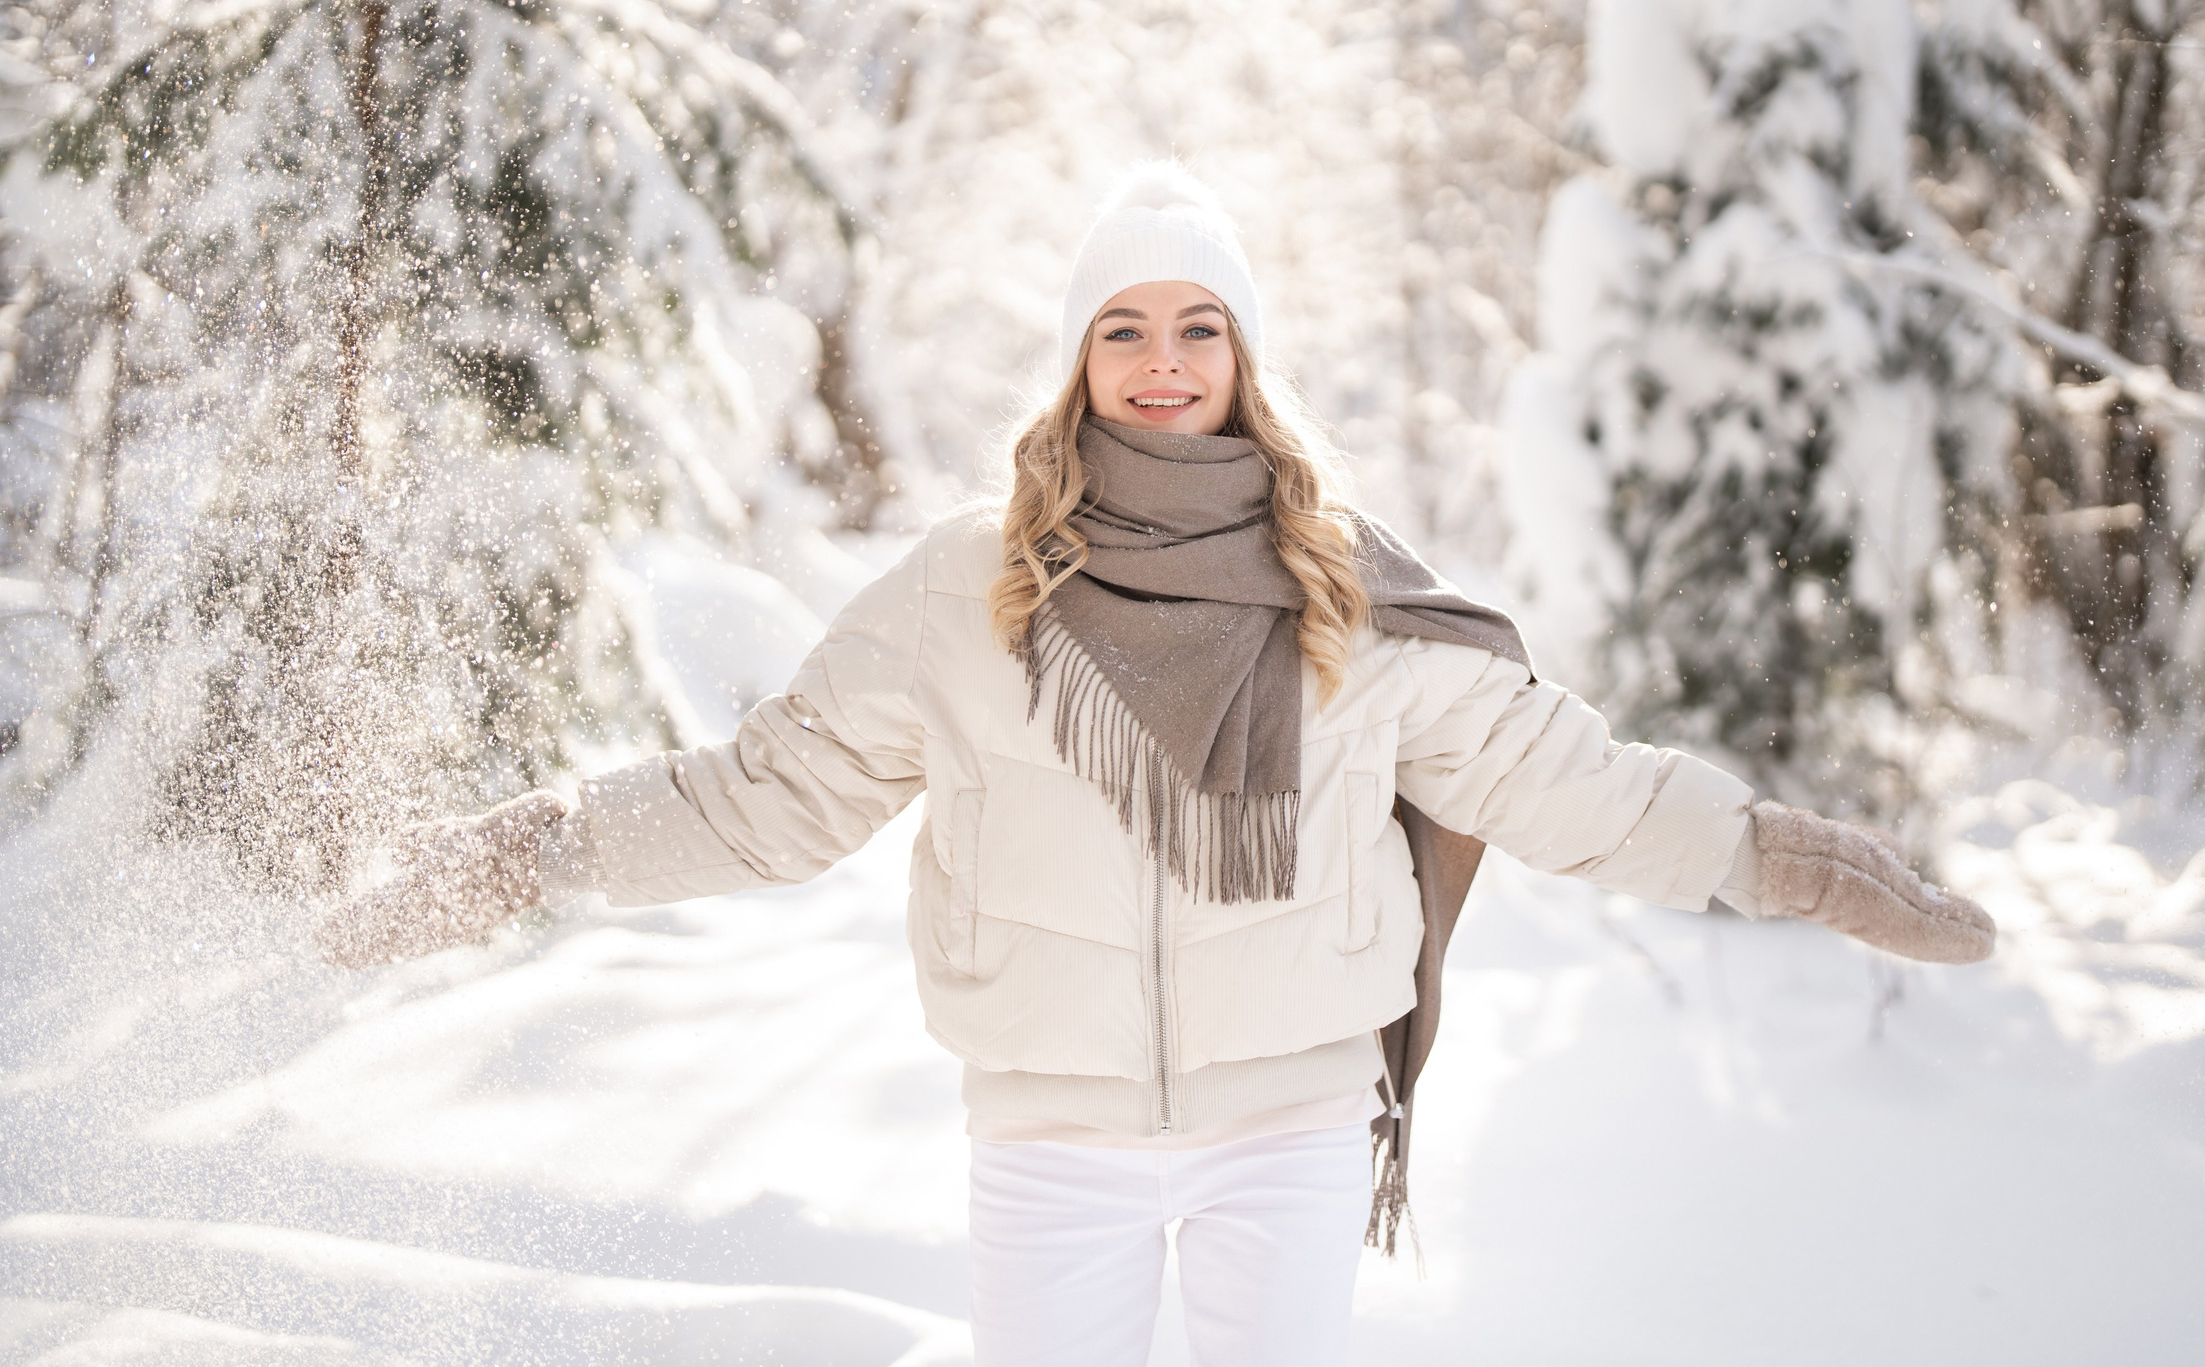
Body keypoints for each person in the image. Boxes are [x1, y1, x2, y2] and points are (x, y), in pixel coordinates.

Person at [316, 164, 1996, 1367]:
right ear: (1076, 361)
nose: (1167, 362)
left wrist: (1789, 862)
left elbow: (1575, 785)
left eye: (1202, 326)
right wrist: (528, 851)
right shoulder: (965, 590)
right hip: (1049, 1139)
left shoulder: (1351, 586)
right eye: (1125, 330)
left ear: (1247, 357)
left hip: (1296, 1118)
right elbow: (767, 798)